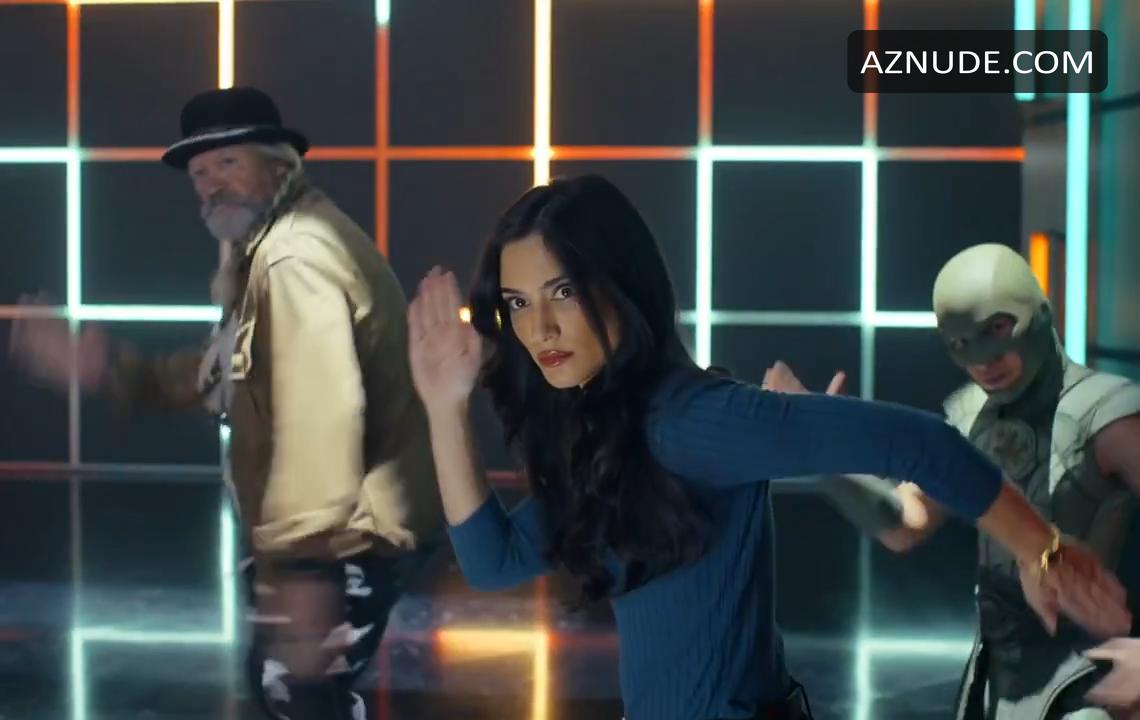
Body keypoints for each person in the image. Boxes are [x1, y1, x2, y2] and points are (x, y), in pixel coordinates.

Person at [402, 174, 1129, 720]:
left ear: (619, 286)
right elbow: (494, 560)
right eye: (519, 303)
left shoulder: (695, 421)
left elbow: (924, 444)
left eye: (562, 292)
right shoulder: (608, 433)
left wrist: (1042, 551)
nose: (539, 330)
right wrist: (443, 404)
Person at [9, 86, 443, 720]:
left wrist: (304, 569)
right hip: (343, 531)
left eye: (228, 163)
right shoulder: (271, 248)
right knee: (287, 688)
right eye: (200, 173)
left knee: (295, 693)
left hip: (350, 535)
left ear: (278, 165)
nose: (211, 184)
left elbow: (318, 416)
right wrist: (107, 369)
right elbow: (228, 375)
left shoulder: (296, 259)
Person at [769, 243, 1140, 720]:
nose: (984, 361)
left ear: (1039, 312)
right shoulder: (971, 418)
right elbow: (908, 521)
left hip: (1097, 679)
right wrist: (825, 455)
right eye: (962, 344)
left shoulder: (1107, 415)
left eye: (997, 329)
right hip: (1001, 678)